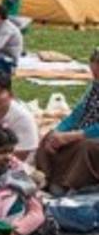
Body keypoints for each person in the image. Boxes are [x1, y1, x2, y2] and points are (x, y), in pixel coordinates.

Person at [35, 48, 99, 193]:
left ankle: (69, 185)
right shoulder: (94, 87)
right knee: (49, 137)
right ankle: (47, 179)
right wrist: (59, 131)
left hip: (92, 137)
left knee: (87, 147)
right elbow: (77, 114)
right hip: (83, 131)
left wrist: (76, 135)